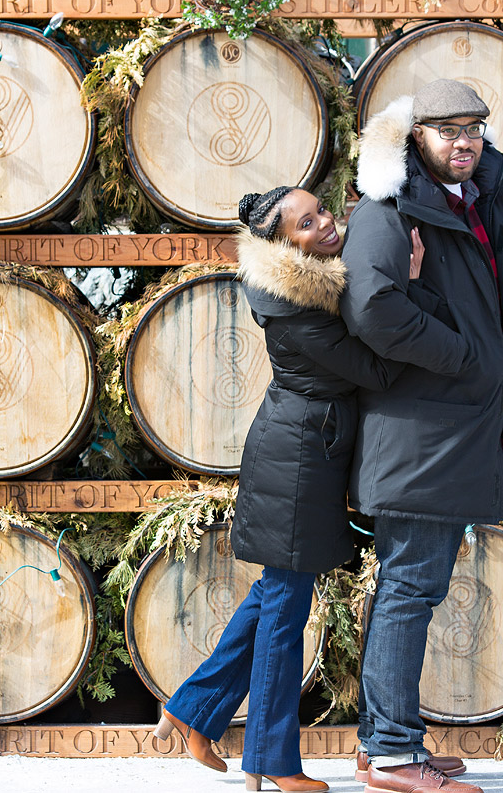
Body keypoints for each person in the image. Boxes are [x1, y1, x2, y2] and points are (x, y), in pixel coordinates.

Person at [153, 186, 454, 793]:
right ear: (282, 244)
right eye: (307, 223)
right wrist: (411, 295)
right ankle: (272, 760)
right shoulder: (293, 304)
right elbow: (376, 368)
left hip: (308, 447)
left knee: (275, 595)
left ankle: (192, 709)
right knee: (287, 612)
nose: (327, 225)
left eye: (323, 213)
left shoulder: (310, 285)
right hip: (295, 460)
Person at [339, 79, 503, 793]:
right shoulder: (390, 211)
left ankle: (379, 745)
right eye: (447, 130)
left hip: (451, 431)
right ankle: (391, 754)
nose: (465, 142)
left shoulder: (469, 204)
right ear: (415, 137)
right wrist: (465, 357)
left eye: (474, 129)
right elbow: (372, 308)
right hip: (421, 433)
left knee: (414, 587)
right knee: (410, 588)